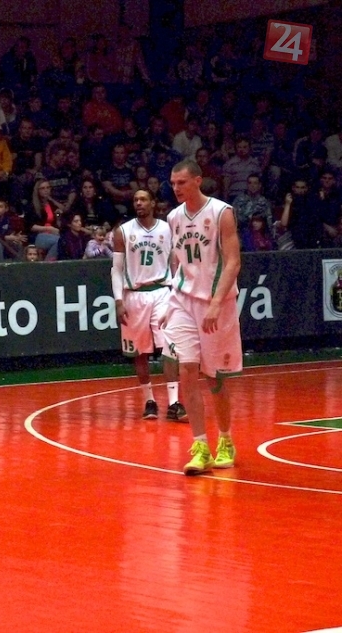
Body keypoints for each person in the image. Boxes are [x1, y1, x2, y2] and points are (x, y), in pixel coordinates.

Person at [164, 159, 241, 475]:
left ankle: (226, 440)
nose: (176, 188)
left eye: (181, 182)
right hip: (182, 300)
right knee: (187, 370)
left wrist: (216, 302)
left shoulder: (222, 212)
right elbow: (176, 260)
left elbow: (233, 261)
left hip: (215, 302)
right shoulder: (173, 217)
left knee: (215, 377)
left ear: (197, 180)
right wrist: (168, 300)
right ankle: (200, 447)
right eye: (173, 183)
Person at [111, 189, 186, 422]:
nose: (139, 203)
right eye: (136, 200)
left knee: (170, 347)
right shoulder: (123, 231)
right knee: (140, 353)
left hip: (162, 292)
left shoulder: (167, 228)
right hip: (134, 295)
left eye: (143, 199)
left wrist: (176, 293)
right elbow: (116, 270)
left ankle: (174, 403)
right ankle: (149, 401)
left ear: (153, 203)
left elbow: (176, 263)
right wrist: (118, 300)